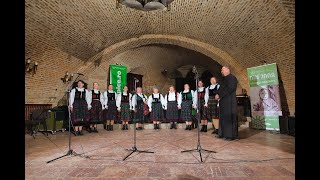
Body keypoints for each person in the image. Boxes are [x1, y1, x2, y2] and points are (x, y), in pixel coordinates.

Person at [215, 66, 238, 140]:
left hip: (229, 101)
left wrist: (220, 95)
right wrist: (217, 94)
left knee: (229, 118)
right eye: (221, 70)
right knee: (222, 118)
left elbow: (230, 88)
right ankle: (222, 133)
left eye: (223, 70)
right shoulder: (223, 79)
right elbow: (220, 88)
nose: (222, 71)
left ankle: (230, 135)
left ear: (228, 70)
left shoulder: (232, 78)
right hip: (223, 101)